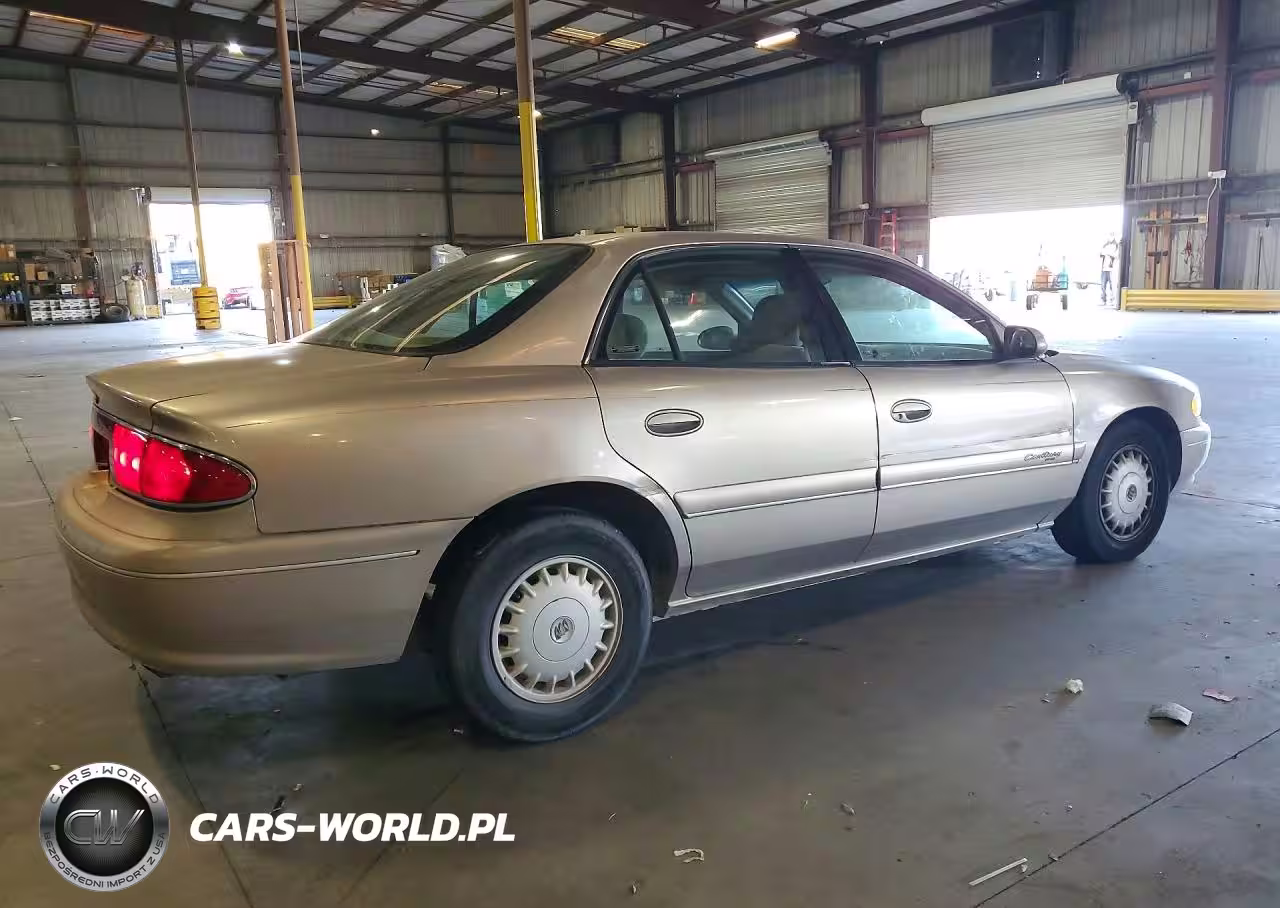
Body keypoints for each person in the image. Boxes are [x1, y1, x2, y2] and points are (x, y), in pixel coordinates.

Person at [1100, 233, 1119, 305]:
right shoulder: (1105, 245)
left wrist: (1109, 254)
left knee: (1112, 285)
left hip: (1112, 269)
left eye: (1112, 235)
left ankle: (1112, 300)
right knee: (1103, 285)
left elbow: (1116, 256)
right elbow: (1101, 253)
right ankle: (1103, 300)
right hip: (1104, 268)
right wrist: (1104, 253)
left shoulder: (1116, 245)